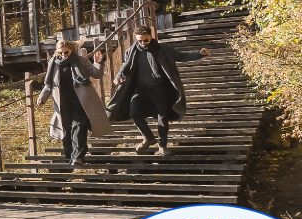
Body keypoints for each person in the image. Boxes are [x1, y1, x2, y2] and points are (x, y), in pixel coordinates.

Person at [105, 25, 209, 155]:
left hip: (159, 89)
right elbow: (125, 65)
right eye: (139, 40)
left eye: (146, 40)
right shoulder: (131, 51)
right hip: (140, 90)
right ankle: (149, 137)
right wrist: (119, 76)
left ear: (151, 36)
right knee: (134, 112)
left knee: (162, 117)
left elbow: (182, 56)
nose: (143, 43)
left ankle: (162, 145)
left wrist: (199, 54)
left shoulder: (163, 49)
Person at [38, 38, 104, 167]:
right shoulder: (54, 63)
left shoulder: (81, 61)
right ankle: (70, 156)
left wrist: (98, 63)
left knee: (78, 127)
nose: (63, 55)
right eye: (60, 53)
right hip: (62, 102)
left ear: (72, 51)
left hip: (81, 100)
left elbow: (96, 74)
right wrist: (42, 98)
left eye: (66, 52)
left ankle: (78, 157)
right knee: (66, 130)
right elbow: (49, 84)